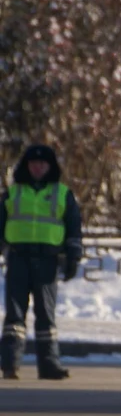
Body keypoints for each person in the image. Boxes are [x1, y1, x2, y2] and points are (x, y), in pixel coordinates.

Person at [0, 144, 83, 380]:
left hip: (48, 260)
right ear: (26, 166)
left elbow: (73, 227)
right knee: (14, 315)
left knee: (46, 315)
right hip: (18, 257)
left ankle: (48, 366)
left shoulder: (62, 193)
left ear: (50, 166)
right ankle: (9, 364)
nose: (38, 168)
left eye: (42, 164)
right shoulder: (14, 193)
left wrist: (73, 256)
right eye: (33, 164)